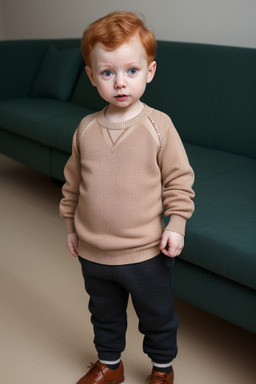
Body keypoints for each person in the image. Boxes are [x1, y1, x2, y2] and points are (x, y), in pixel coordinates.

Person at [59, 11, 195, 384]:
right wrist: (71, 228)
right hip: (94, 251)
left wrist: (177, 224)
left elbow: (179, 181)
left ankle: (162, 369)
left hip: (145, 252)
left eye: (131, 71)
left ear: (149, 71)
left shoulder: (158, 125)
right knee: (103, 313)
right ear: (91, 76)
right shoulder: (86, 128)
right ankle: (110, 364)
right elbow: (72, 186)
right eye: (108, 73)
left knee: (157, 315)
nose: (120, 83)